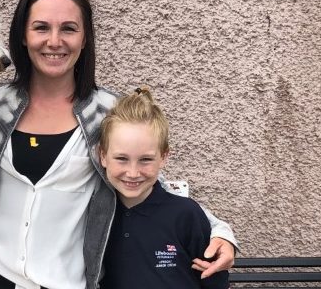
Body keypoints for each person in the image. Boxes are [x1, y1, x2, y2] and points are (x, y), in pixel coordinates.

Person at [0, 0, 236, 289]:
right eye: (41, 28)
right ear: (23, 35)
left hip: (65, 281)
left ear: (85, 37)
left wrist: (219, 230)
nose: (54, 41)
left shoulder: (106, 111)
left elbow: (146, 183)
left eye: (68, 29)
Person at [98, 87, 229, 289]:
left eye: (146, 160)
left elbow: (215, 282)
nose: (133, 173)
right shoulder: (96, 216)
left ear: (164, 157)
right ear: (103, 155)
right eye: (122, 159)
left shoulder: (187, 214)